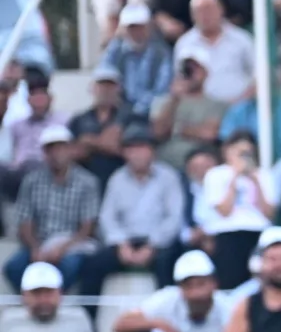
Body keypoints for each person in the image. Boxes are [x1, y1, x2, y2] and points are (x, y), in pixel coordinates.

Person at [5, 127, 101, 295]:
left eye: (61, 147)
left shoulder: (88, 182)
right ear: (44, 153)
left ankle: (53, 306)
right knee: (13, 268)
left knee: (70, 266)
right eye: (51, 149)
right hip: (39, 243)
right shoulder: (31, 181)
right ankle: (32, 304)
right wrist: (35, 248)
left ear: (71, 149)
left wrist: (62, 249)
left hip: (72, 245)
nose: (56, 153)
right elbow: (25, 221)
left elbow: (88, 227)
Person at [88, 128, 184, 291]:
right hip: (125, 241)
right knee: (93, 264)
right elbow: (107, 217)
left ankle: (167, 315)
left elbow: (174, 217)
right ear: (124, 153)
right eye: (131, 149)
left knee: (169, 263)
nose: (137, 154)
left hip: (159, 242)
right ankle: (87, 315)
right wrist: (121, 244)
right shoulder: (117, 178)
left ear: (152, 152)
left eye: (142, 148)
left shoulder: (168, 177)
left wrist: (152, 246)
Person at [198, 131, 275, 288]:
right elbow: (224, 210)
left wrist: (255, 180)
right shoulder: (216, 175)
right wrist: (235, 175)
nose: (244, 157)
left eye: (247, 153)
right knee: (230, 283)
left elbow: (269, 212)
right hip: (228, 235)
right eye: (239, 152)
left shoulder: (264, 175)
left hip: (257, 234)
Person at [172, 0, 254, 106]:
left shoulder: (242, 40)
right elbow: (180, 82)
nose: (205, 15)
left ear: (221, 10)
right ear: (192, 15)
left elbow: (258, 76)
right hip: (200, 112)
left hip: (238, 109)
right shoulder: (184, 44)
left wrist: (241, 101)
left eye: (209, 9)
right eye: (200, 11)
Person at [150, 53, 226, 170]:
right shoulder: (164, 102)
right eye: (187, 69)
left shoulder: (216, 104)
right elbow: (158, 132)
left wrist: (177, 128)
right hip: (167, 164)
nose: (191, 73)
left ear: (205, 73)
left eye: (195, 69)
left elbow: (209, 134)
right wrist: (174, 99)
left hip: (200, 165)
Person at [101, 4, 172, 120]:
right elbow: (104, 77)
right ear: (123, 29)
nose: (136, 32)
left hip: (151, 115)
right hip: (118, 113)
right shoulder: (115, 50)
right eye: (131, 27)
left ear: (149, 27)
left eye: (140, 27)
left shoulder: (162, 53)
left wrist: (138, 110)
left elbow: (162, 89)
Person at [68, 66, 136, 183]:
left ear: (118, 88)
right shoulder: (79, 119)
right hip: (86, 181)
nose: (105, 90)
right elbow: (72, 153)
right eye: (101, 86)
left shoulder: (129, 117)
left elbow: (131, 151)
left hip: (123, 180)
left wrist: (90, 142)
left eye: (110, 86)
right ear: (92, 88)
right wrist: (106, 143)